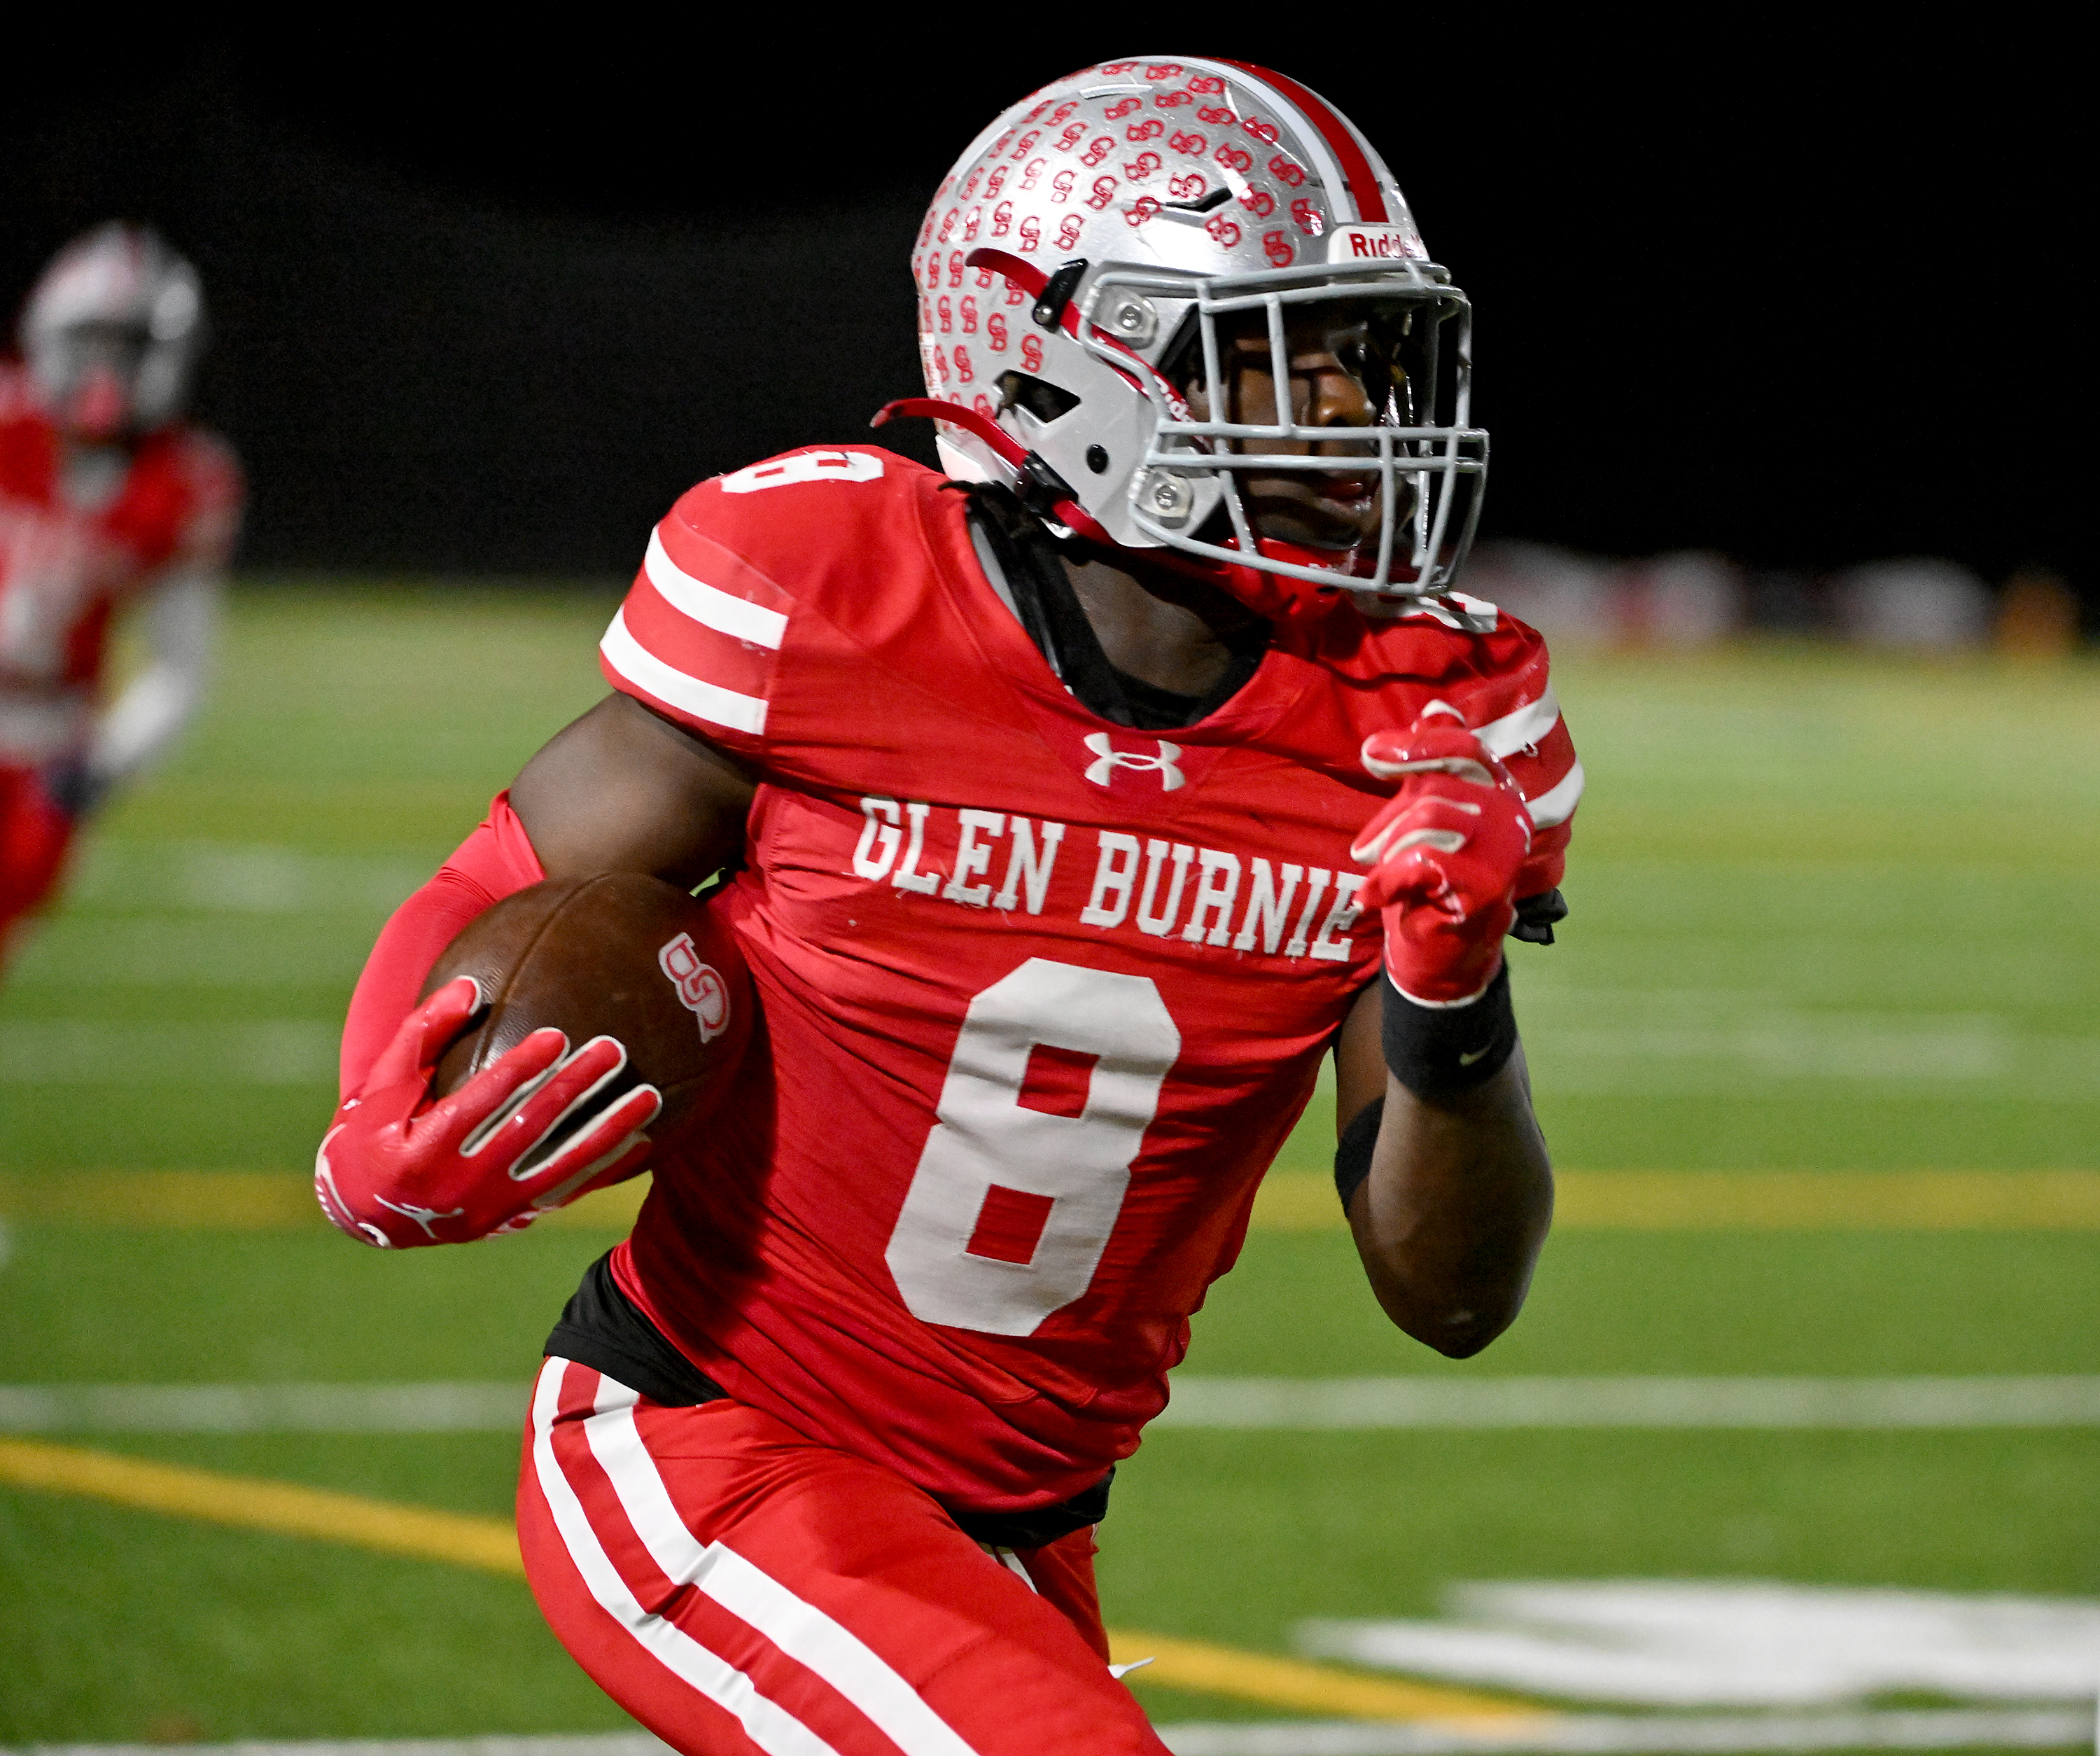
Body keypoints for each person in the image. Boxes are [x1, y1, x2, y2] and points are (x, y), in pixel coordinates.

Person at [317, 56, 1583, 1755]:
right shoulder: (832, 582)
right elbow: (507, 879)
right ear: (1054, 359)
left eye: (1364, 350)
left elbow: (1453, 1295)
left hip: (1016, 1528)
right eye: (1282, 356)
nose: (1353, 413)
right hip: (712, 1444)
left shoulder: (1426, 713)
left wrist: (1451, 990)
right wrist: (373, 1116)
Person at [0, 223, 240, 972]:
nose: (105, 370)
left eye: (127, 348)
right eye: (91, 341)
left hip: (44, 753)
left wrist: (101, 765)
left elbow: (181, 665)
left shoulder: (182, 482)